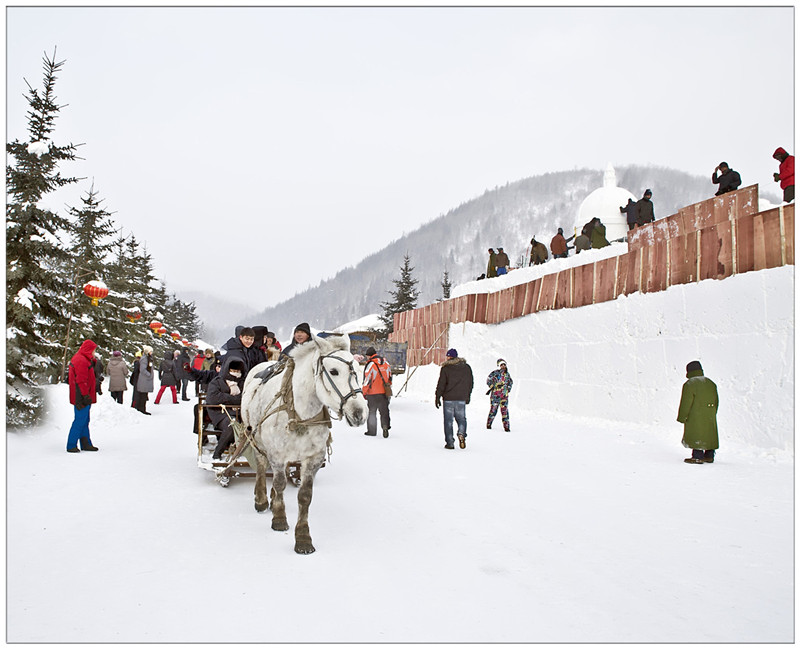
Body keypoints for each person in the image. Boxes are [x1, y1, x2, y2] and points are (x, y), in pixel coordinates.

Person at [677, 360, 719, 464]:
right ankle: (709, 455)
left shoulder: (690, 384)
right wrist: (712, 413)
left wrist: (682, 417)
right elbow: (716, 401)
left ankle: (697, 456)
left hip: (695, 416)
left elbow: (686, 403)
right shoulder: (711, 383)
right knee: (709, 433)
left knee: (697, 434)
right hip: (710, 415)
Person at [207, 357, 246, 460]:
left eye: (237, 371)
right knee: (231, 425)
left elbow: (245, 398)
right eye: (233, 371)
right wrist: (233, 399)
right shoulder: (218, 381)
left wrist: (225, 397)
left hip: (241, 413)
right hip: (220, 413)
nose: (235, 373)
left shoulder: (243, 382)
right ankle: (217, 452)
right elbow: (212, 398)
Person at [435, 348, 474, 450]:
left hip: (448, 399)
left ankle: (450, 443)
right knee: (461, 419)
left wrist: (437, 396)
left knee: (448, 421)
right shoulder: (466, 368)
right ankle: (461, 433)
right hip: (461, 399)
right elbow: (470, 383)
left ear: (449, 357)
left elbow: (441, 384)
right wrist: (468, 396)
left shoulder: (446, 368)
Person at [66, 339, 100, 453]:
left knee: (85, 420)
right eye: (93, 350)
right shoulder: (81, 360)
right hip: (80, 396)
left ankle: (86, 443)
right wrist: (85, 395)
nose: (94, 352)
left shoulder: (84, 359)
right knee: (80, 420)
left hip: (83, 394)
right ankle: (71, 445)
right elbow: (81, 380)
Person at [362, 346, 392, 438]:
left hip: (372, 393)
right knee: (384, 411)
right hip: (383, 393)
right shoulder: (386, 363)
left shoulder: (371, 365)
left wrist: (364, 392)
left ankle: (372, 431)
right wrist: (388, 387)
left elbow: (367, 380)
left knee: (372, 412)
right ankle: (385, 426)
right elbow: (389, 377)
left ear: (369, 356)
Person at [486, 358, 513, 432]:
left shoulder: (507, 375)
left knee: (505, 412)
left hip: (504, 396)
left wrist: (508, 389)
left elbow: (510, 382)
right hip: (495, 396)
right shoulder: (495, 373)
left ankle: (506, 427)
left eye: (504, 364)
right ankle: (489, 424)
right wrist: (493, 386)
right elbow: (488, 380)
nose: (503, 366)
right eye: (501, 365)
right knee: (493, 411)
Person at [135, 346, 154, 415]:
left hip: (146, 379)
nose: (151, 353)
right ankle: (142, 409)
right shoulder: (144, 359)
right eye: (150, 351)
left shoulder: (148, 358)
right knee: (143, 395)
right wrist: (149, 374)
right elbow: (142, 369)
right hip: (144, 379)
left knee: (144, 395)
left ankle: (142, 408)